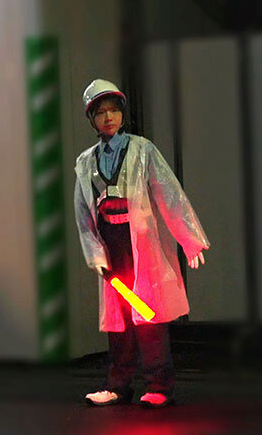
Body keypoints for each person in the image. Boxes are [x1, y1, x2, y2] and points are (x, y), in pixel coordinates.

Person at [73, 78, 210, 408]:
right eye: (101, 112)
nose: (108, 117)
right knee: (119, 318)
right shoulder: (87, 161)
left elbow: (168, 193)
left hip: (140, 242)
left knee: (148, 315)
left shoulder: (141, 150)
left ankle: (158, 384)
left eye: (113, 110)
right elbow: (83, 210)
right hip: (112, 244)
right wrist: (95, 253)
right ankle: (118, 385)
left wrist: (189, 239)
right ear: (91, 118)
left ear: (122, 113)